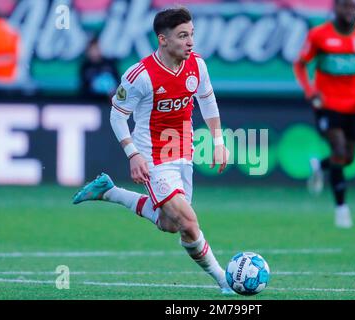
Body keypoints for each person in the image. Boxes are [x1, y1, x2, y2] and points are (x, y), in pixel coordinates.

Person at [73, 7, 233, 294]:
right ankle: (226, 281)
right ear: (163, 40)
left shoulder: (197, 65)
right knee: (188, 221)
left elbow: (208, 101)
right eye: (183, 36)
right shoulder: (140, 75)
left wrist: (218, 142)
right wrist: (133, 154)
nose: (190, 42)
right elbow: (117, 115)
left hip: (184, 153)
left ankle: (109, 192)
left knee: (170, 225)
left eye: (192, 34)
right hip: (153, 157)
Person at [293, 0, 355, 228]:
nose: (349, 11)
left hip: (353, 106)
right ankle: (341, 209)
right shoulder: (319, 35)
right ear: (335, 8)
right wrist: (310, 92)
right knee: (339, 150)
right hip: (327, 104)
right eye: (344, 6)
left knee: (348, 157)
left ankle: (320, 166)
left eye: (352, 6)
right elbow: (300, 65)